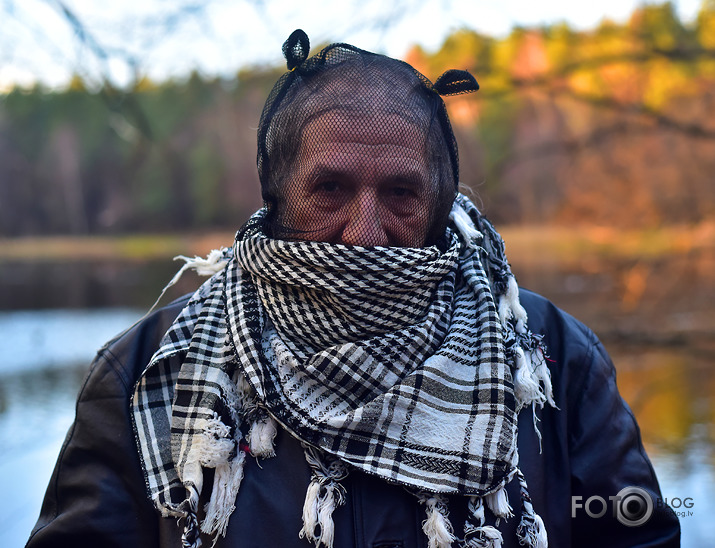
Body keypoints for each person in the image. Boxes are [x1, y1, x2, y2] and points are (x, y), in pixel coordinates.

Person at [27, 30, 679, 548]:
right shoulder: (144, 372)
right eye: (329, 190)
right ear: (276, 195)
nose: (364, 234)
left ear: (439, 201)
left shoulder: (552, 361)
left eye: (399, 193)